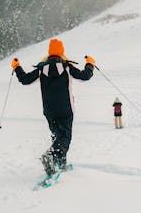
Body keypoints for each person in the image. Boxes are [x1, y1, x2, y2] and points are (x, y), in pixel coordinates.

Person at [11, 38, 95, 176]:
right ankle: (50, 156)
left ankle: (60, 163)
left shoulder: (41, 69)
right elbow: (85, 76)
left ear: (49, 53)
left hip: (49, 110)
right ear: (61, 52)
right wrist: (90, 64)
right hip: (65, 109)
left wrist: (16, 67)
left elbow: (25, 80)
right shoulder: (67, 67)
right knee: (65, 137)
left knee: (57, 135)